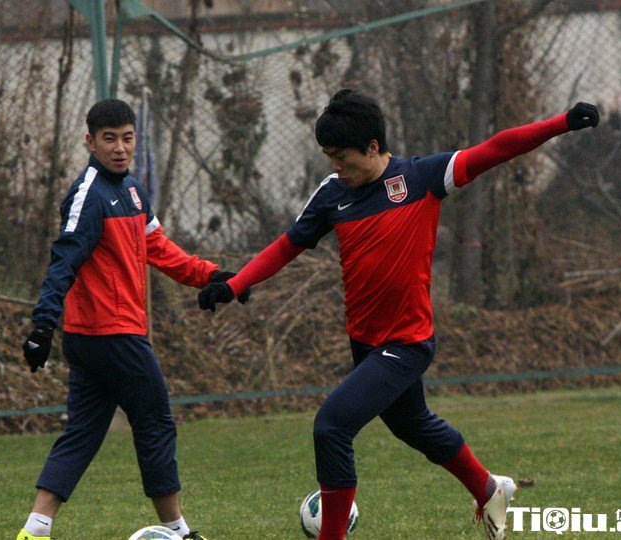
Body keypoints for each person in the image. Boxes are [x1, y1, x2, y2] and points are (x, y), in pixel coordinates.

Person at [198, 89, 599, 540]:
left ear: (373, 147)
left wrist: (562, 123)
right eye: (329, 157)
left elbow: (496, 148)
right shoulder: (332, 194)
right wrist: (235, 285)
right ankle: (489, 489)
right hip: (365, 342)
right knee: (413, 425)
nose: (336, 166)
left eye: (342, 157)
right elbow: (287, 245)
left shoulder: (422, 178)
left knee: (331, 427)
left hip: (406, 343)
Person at [18, 98, 248, 540]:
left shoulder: (133, 191)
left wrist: (210, 275)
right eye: (109, 139)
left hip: (95, 338)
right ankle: (179, 530)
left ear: (135, 139)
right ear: (90, 142)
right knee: (156, 421)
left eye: (127, 138)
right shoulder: (88, 194)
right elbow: (63, 260)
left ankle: (35, 529)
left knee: (83, 432)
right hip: (112, 334)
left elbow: (158, 249)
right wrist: (43, 324)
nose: (120, 148)